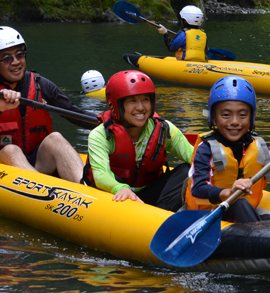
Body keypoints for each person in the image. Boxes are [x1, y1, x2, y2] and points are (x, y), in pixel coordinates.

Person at [0, 26, 97, 183]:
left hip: (37, 160)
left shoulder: (41, 85)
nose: (16, 62)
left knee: (56, 138)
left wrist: (112, 122)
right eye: (6, 58)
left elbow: (75, 114)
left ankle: (86, 189)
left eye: (19, 55)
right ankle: (43, 191)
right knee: (11, 150)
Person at [186, 76, 270, 223]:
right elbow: (197, 190)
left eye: (242, 115)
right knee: (240, 203)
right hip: (209, 217)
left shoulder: (256, 144)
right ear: (214, 118)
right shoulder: (206, 149)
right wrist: (228, 193)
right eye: (226, 115)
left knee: (268, 218)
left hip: (241, 218)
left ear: (252, 117)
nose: (234, 122)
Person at [83, 70, 194, 211]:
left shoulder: (164, 129)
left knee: (187, 170)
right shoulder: (100, 135)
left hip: (149, 192)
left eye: (145, 99)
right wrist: (121, 188)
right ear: (115, 105)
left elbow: (195, 157)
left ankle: (161, 218)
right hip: (114, 195)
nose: (141, 107)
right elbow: (100, 175)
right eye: (132, 101)